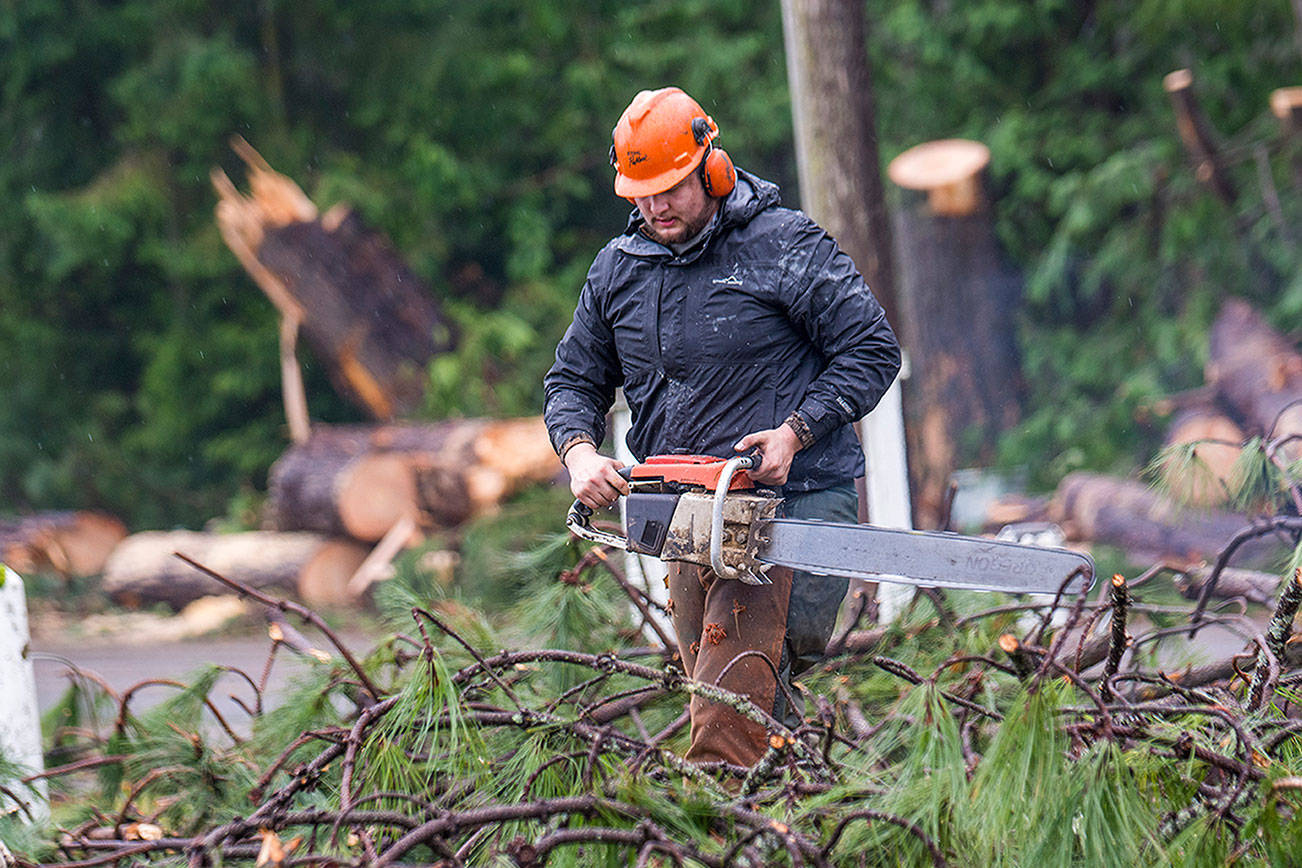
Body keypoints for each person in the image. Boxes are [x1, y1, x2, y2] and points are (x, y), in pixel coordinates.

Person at [544, 86, 901, 768]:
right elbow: (573, 381)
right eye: (640, 194)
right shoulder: (619, 271)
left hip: (791, 503)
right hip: (681, 515)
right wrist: (581, 452)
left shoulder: (783, 245)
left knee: (732, 697)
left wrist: (796, 431)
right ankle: (807, 818)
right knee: (747, 700)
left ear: (712, 166)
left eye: (671, 188)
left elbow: (873, 349)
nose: (655, 207)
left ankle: (710, 818)